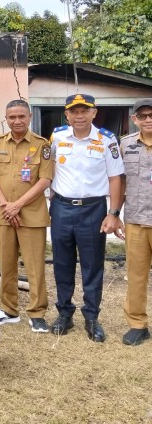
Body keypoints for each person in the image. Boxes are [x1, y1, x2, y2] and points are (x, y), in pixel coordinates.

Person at [49, 94, 124, 342]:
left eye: (84, 111)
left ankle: (91, 316)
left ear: (94, 112)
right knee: (62, 263)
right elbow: (46, 171)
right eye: (74, 111)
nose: (79, 116)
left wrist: (113, 213)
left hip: (93, 210)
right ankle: (64, 314)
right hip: (61, 207)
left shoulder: (106, 140)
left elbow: (115, 178)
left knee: (92, 265)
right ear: (67, 114)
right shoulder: (57, 137)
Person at [0, 99, 53, 332]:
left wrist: (18, 205)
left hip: (32, 215)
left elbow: (45, 179)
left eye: (21, 116)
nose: (17, 121)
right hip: (4, 213)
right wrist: (6, 205)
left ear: (29, 117)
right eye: (12, 117)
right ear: (6, 118)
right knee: (6, 265)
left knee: (35, 267)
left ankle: (37, 313)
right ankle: (9, 309)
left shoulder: (42, 145)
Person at [119, 98, 152, 346]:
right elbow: (119, 182)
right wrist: (113, 213)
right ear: (135, 120)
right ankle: (138, 324)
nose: (148, 119)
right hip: (136, 220)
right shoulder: (125, 144)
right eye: (143, 116)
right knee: (136, 275)